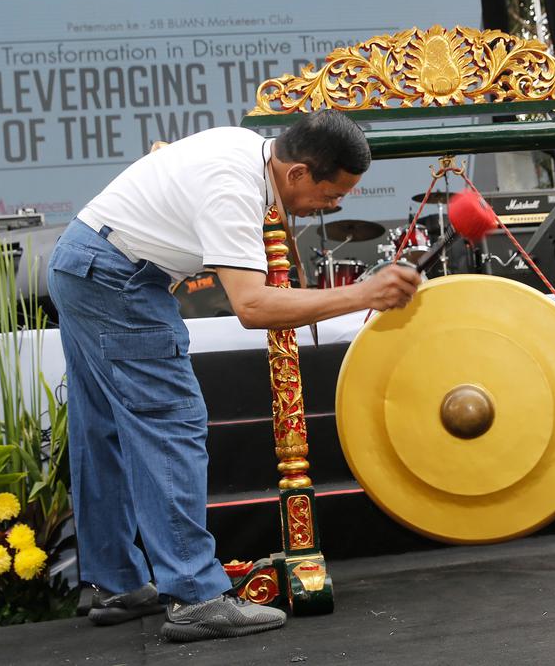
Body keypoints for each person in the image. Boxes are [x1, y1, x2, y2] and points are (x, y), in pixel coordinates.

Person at [46, 110, 421, 643]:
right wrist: (364, 294)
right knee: (171, 425)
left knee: (102, 429)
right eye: (333, 194)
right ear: (296, 173)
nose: (335, 207)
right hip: (115, 279)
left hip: (82, 263)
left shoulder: (243, 145)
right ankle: (196, 597)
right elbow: (252, 306)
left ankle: (118, 583)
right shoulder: (234, 187)